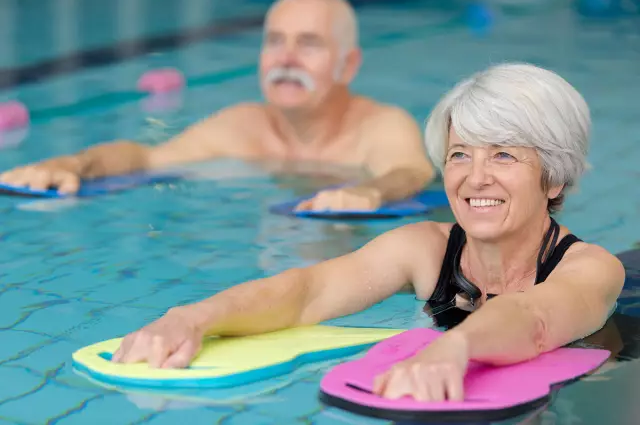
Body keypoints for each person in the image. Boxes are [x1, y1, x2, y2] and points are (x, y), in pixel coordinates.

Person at [110, 63, 625, 402]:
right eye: (460, 154)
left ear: (553, 175)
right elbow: (307, 293)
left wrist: (452, 348)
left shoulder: (591, 268)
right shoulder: (425, 250)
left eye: (505, 155)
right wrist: (192, 318)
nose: (476, 177)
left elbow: (532, 318)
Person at [0, 0, 435, 212]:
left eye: (309, 44)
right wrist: (73, 164)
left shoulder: (381, 126)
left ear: (348, 64)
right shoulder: (242, 127)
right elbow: (145, 157)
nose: (286, 59)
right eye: (275, 42)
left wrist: (369, 192)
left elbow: (410, 172)